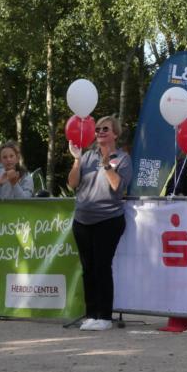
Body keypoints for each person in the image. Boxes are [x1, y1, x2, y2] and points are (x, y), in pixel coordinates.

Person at [68, 115, 133, 332]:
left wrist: (107, 165)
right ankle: (91, 314)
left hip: (108, 220)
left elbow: (119, 188)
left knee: (102, 267)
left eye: (105, 129)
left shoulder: (123, 159)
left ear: (115, 133)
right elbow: (72, 184)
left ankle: (104, 316)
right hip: (82, 220)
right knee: (88, 269)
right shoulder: (86, 157)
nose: (100, 132)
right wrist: (77, 159)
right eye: (97, 129)